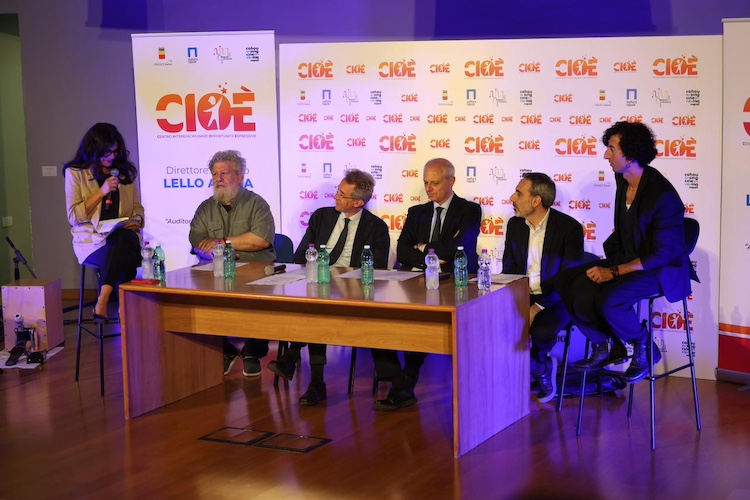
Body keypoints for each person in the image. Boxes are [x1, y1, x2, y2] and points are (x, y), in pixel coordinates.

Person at [556, 121, 690, 383]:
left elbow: (662, 254)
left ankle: (644, 346)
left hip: (660, 269)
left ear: (630, 156)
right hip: (629, 259)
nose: (606, 155)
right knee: (567, 281)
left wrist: (614, 271)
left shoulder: (662, 196)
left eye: (612, 149)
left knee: (610, 300)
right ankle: (607, 344)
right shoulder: (623, 179)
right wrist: (614, 264)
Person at [267, 169, 390, 406]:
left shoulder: (376, 227)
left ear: (358, 202)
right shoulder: (321, 216)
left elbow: (378, 267)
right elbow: (301, 255)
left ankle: (298, 363)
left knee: (316, 311)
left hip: (351, 292)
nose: (335, 197)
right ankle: (311, 379)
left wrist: (343, 278)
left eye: (342, 194)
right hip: (318, 285)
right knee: (316, 306)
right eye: (337, 191)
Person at [370, 157, 481, 411]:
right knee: (376, 319)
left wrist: (422, 247)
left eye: (435, 183)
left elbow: (459, 247)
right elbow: (403, 251)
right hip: (414, 279)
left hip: (453, 281)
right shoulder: (416, 212)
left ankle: (405, 385)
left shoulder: (469, 210)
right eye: (426, 183)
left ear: (451, 181)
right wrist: (432, 258)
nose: (429, 188)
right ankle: (400, 382)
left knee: (426, 322)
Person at [189, 150, 276, 377]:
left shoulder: (257, 204)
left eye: (224, 173)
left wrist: (221, 243)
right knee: (200, 294)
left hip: (254, 269)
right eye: (215, 174)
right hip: (215, 269)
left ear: (239, 176)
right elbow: (197, 241)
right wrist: (219, 254)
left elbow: (260, 239)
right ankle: (224, 349)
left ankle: (252, 351)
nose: (218, 179)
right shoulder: (205, 208)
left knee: (256, 292)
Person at [503, 173, 584, 403]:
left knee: (540, 330)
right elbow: (509, 269)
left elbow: (568, 279)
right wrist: (511, 302)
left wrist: (536, 308)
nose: (512, 198)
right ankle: (539, 368)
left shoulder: (569, 228)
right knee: (495, 324)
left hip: (557, 298)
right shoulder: (515, 225)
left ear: (536, 200)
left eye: (519, 193)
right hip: (522, 293)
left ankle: (539, 365)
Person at [64, 123, 144, 322]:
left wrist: (137, 221)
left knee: (122, 237)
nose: (111, 157)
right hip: (93, 241)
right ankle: (124, 309)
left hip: (123, 235)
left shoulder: (125, 173)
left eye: (114, 152)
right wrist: (101, 192)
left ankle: (103, 299)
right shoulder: (76, 173)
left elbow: (137, 208)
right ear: (94, 150)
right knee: (127, 256)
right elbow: (73, 216)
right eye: (106, 153)